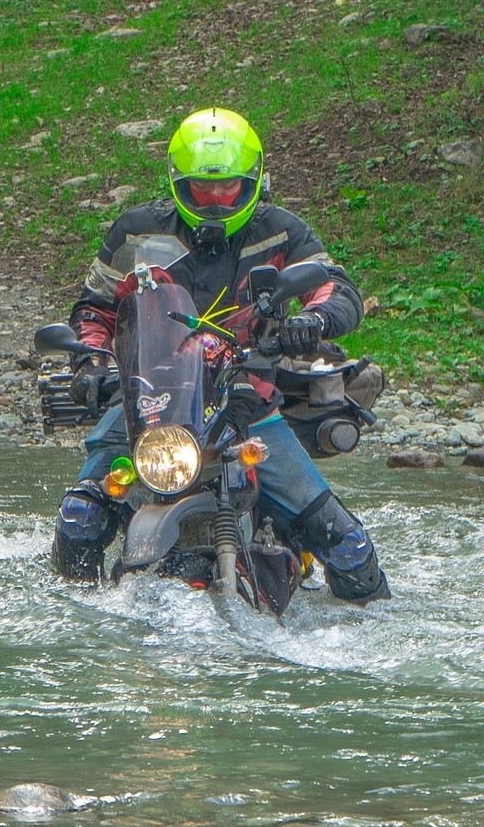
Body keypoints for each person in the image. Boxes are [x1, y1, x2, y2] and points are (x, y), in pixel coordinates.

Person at [49, 107, 390, 604]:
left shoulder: (281, 231)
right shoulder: (137, 233)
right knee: (80, 518)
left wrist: (310, 324)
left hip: (249, 404)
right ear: (177, 183)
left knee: (346, 543)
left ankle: (372, 629)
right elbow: (97, 310)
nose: (214, 201)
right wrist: (92, 363)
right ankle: (69, 620)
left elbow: (336, 288)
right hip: (148, 405)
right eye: (201, 190)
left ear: (251, 181)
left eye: (227, 189)